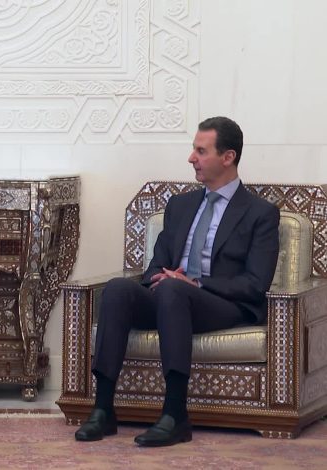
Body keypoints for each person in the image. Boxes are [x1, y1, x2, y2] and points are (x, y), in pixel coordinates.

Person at [74, 116, 280, 447]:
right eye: (193, 149)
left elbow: (255, 283)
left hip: (223, 304)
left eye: (201, 151)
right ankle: (103, 410)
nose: (191, 158)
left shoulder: (260, 213)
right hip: (171, 297)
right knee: (118, 289)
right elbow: (157, 264)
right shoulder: (180, 205)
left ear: (228, 157)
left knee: (174, 289)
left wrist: (196, 284)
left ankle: (175, 415)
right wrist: (162, 277)